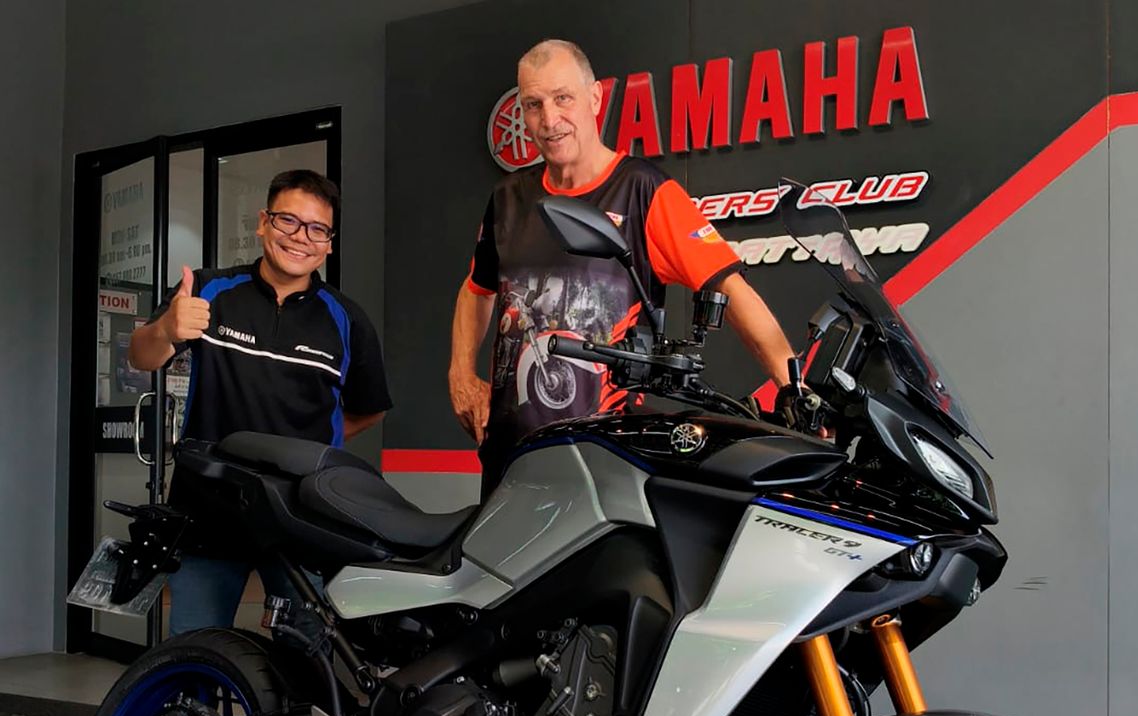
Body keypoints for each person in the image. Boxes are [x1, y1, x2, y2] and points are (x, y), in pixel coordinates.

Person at [449, 39, 796, 493]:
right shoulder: (509, 199)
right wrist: (461, 373)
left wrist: (794, 388)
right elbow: (477, 289)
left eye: (563, 98)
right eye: (534, 105)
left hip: (605, 462)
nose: (549, 120)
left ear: (594, 98)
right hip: (512, 458)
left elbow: (729, 289)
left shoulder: (644, 191)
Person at [129, 169, 392, 636]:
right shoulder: (209, 290)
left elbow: (369, 409)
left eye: (317, 229)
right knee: (195, 655)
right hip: (208, 511)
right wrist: (167, 329)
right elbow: (141, 356)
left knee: (306, 659)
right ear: (263, 223)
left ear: (329, 244)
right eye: (288, 220)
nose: (301, 237)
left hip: (303, 518)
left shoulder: (347, 319)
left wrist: (307, 450)